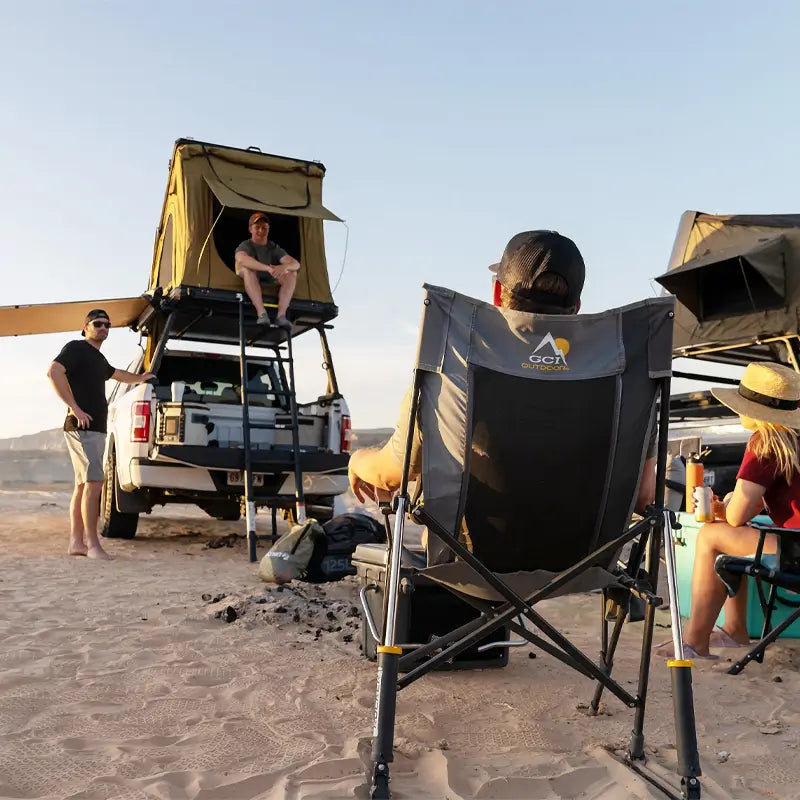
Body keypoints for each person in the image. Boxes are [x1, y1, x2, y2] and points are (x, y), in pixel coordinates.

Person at [348, 230, 657, 524]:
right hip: (584, 573)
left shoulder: (451, 370)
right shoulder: (621, 386)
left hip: (464, 571)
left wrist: (358, 460)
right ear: (576, 308)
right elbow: (644, 498)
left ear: (497, 293)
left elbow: (394, 471)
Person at [660, 362, 800, 658]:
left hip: (797, 556)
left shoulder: (766, 442)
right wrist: (727, 508)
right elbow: (749, 507)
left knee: (712, 535)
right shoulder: (792, 441)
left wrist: (718, 509)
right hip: (794, 545)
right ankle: (735, 631)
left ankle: (695, 642)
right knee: (742, 535)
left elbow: (736, 516)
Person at [46, 309, 155, 560]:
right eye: (98, 324)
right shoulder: (76, 348)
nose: (103, 328)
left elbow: (118, 374)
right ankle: (93, 545)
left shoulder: (98, 359)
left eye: (107, 325)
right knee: (95, 484)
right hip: (81, 427)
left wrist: (140, 378)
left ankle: (77, 543)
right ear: (85, 327)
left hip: (95, 430)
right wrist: (76, 409)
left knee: (83, 484)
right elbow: (53, 371)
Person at [235, 212, 301, 328]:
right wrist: (267, 268)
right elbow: (242, 259)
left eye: (264, 227)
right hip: (250, 275)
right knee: (248, 270)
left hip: (268, 277)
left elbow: (295, 264)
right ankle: (261, 313)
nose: (261, 230)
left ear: (268, 229)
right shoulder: (246, 245)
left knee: (291, 273)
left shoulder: (272, 247)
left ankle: (281, 316)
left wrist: (283, 267)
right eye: (257, 227)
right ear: (250, 229)